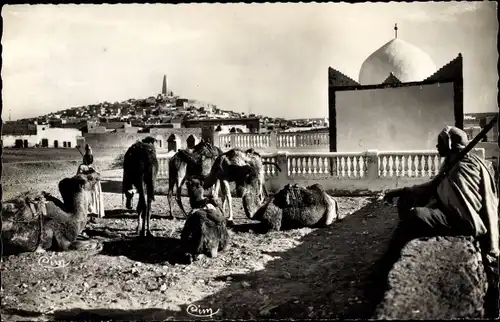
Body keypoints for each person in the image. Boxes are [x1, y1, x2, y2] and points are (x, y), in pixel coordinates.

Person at [377, 125, 499, 318]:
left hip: (461, 221)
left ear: (450, 144)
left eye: (440, 142)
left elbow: (463, 202)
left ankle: (384, 271)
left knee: (415, 215)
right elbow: (434, 186)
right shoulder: (451, 163)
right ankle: (389, 263)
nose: (436, 146)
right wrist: (402, 191)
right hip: (449, 212)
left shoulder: (467, 164)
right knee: (408, 201)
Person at [77, 144, 105, 220]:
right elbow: (79, 176)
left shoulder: (94, 166)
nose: (89, 159)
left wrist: (94, 172)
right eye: (87, 157)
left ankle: (93, 217)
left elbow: (99, 176)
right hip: (86, 187)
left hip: (95, 187)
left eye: (90, 158)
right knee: (87, 201)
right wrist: (86, 173)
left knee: (94, 201)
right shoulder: (82, 166)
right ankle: (86, 218)